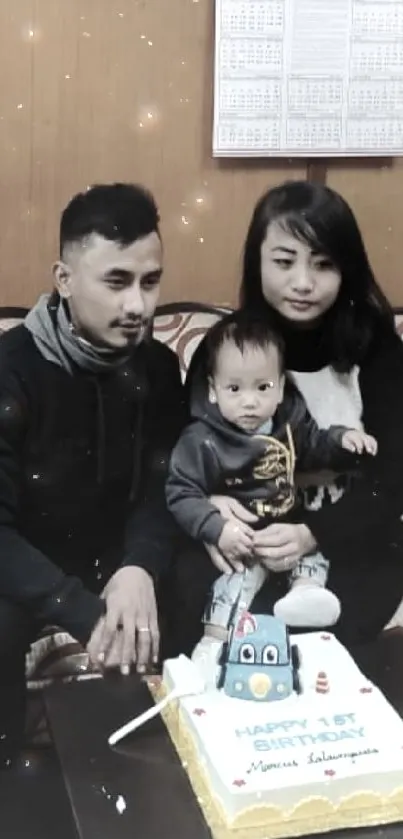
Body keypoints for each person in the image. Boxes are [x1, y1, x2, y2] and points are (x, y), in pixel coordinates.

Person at [0, 182, 186, 763]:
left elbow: (166, 483)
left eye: (149, 281)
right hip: (33, 572)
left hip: (121, 557)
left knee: (206, 583)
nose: (138, 306)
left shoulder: (157, 365)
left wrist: (138, 567)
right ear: (64, 280)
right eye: (116, 281)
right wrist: (82, 610)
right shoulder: (14, 372)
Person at [178, 179, 403, 655]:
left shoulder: (377, 347)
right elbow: (186, 452)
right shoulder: (226, 348)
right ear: (257, 262)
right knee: (220, 624)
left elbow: (394, 475)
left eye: (323, 265)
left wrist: (313, 533)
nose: (303, 282)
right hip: (249, 539)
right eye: (284, 262)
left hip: (351, 539)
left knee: (321, 647)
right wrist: (212, 505)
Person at [167, 310, 377, 680]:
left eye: (262, 388)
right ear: (213, 390)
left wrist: (344, 440)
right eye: (235, 389)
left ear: (280, 387)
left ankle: (306, 595)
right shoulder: (201, 439)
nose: (249, 402)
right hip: (242, 535)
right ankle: (212, 645)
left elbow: (314, 445)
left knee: (315, 555)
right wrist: (216, 529)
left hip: (288, 523)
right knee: (232, 585)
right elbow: (181, 492)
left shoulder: (290, 421)